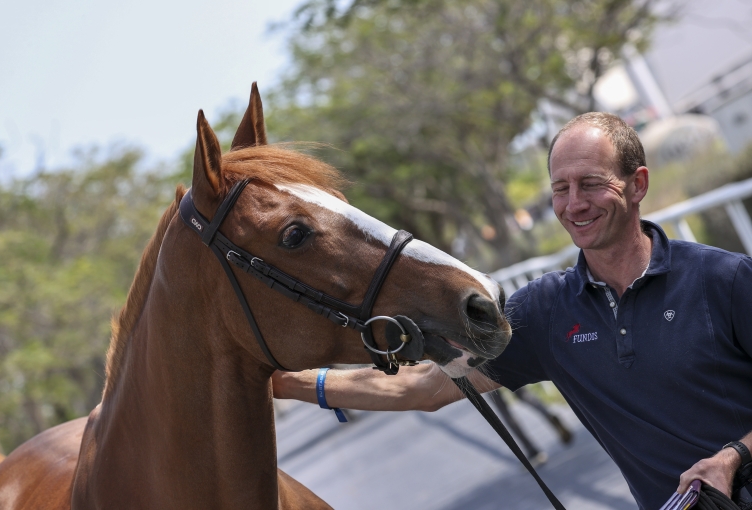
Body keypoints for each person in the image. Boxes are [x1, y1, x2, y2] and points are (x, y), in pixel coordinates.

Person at [273, 112, 752, 510]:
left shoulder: (722, 279)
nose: (574, 204)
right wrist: (288, 382)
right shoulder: (547, 312)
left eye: (590, 184)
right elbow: (425, 386)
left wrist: (732, 456)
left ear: (637, 184)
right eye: (560, 189)